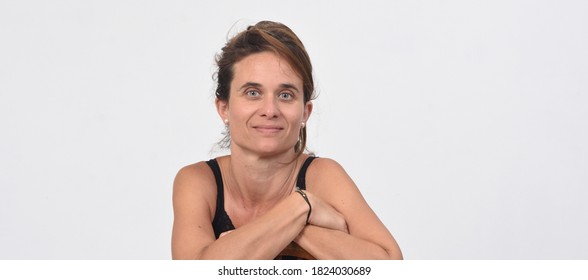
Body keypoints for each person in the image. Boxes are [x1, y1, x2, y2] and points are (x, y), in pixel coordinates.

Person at [171, 21, 402, 260]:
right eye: (253, 93)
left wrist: (291, 232)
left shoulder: (323, 175)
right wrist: (301, 207)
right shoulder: (198, 181)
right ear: (224, 107)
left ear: (305, 112)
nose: (270, 110)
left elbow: (390, 264)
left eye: (285, 95)